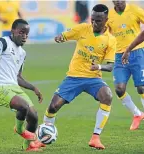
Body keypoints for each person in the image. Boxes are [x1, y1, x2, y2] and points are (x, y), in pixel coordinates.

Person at [43, 4, 116, 150]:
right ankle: (43, 136)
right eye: (93, 20)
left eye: (98, 21)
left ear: (106, 20)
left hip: (93, 78)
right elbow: (65, 35)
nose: (94, 23)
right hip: (73, 77)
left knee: (107, 96)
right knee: (53, 106)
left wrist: (99, 67)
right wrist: (60, 37)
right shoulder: (82, 28)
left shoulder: (110, 40)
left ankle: (95, 138)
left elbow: (110, 65)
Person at [0, 19, 45, 152]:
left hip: (14, 87)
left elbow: (17, 77)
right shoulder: (3, 42)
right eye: (21, 32)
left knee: (34, 116)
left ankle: (28, 146)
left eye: (27, 34)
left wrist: (33, 88)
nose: (24, 36)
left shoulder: (22, 53)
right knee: (23, 106)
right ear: (13, 31)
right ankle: (20, 130)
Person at [107, 1, 144, 131]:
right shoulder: (109, 15)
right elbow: (104, 35)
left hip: (137, 53)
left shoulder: (135, 10)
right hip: (119, 56)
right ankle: (137, 114)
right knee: (119, 88)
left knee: (141, 87)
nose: (118, 1)